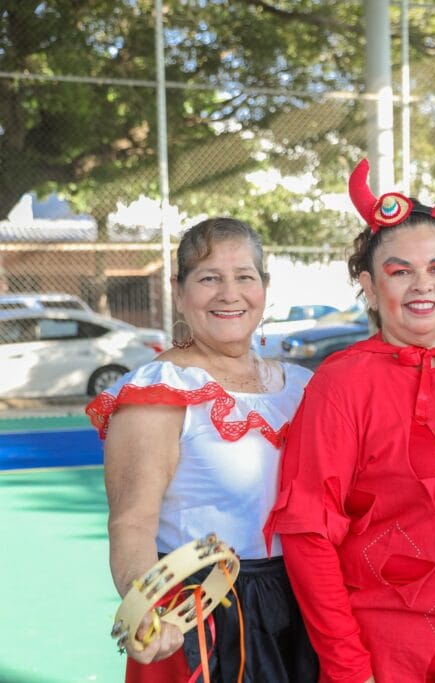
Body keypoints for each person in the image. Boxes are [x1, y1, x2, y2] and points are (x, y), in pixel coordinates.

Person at [264, 156, 435, 682]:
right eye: (401, 272)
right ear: (370, 285)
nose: (423, 285)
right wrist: (349, 667)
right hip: (385, 658)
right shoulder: (341, 383)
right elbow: (309, 534)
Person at [87, 217, 318, 682]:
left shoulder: (301, 385)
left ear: (264, 287)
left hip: (303, 604)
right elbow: (131, 522)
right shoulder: (159, 389)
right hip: (203, 615)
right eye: (209, 278)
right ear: (179, 290)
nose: (229, 294)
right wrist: (146, 609)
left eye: (244, 277)